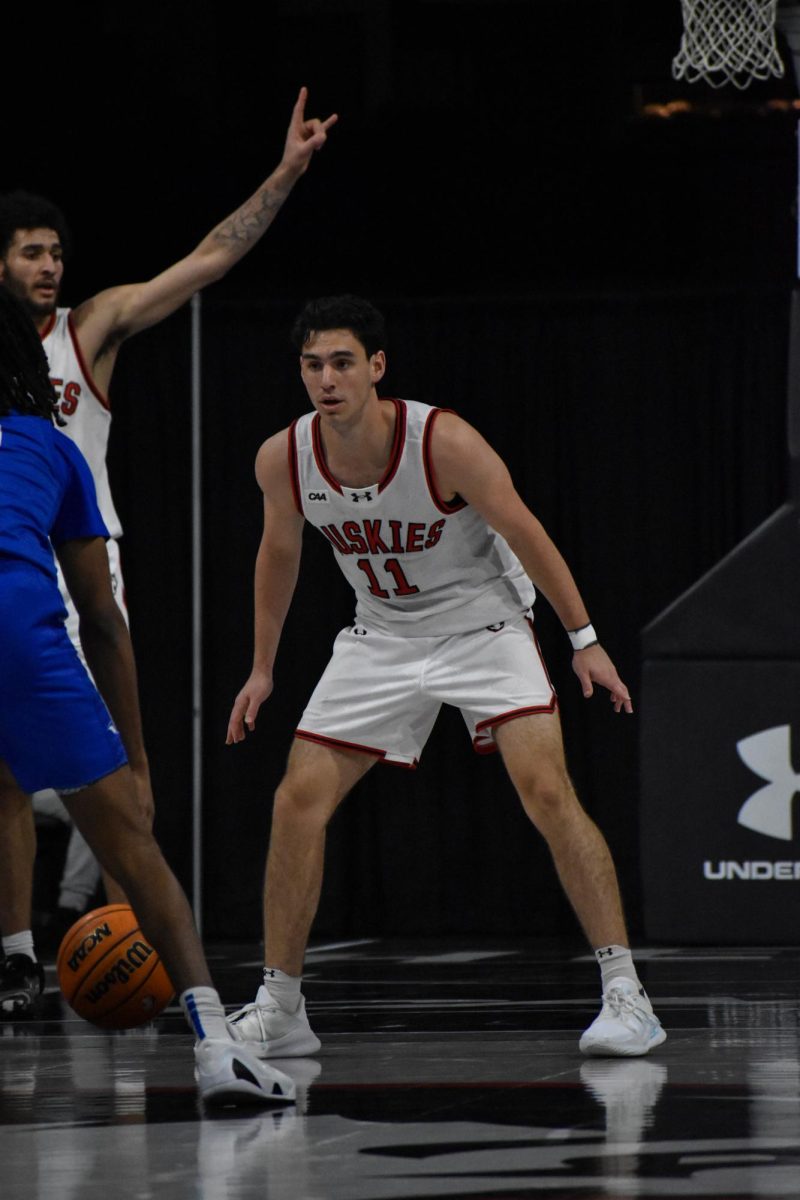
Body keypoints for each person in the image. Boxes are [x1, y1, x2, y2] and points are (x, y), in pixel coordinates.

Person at [225, 294, 667, 1059]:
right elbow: (279, 557)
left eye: (341, 363)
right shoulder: (283, 456)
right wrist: (261, 668)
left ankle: (627, 994)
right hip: (381, 636)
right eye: (312, 365)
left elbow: (525, 530)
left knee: (549, 791)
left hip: (482, 624)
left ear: (376, 367)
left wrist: (583, 639)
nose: (326, 379)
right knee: (296, 800)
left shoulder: (442, 440)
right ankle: (283, 1007)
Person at [0, 88, 337, 989]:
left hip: (77, 566)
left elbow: (205, 263)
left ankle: (125, 953)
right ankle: (16, 961)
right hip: (10, 562)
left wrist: (286, 172)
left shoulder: (89, 329)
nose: (50, 266)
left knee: (111, 783)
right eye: (31, 252)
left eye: (57, 252)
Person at [0, 286, 295, 1104]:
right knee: (132, 846)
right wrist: (137, 760)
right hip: (20, 631)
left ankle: (14, 951)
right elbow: (102, 618)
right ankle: (216, 1050)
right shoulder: (51, 447)